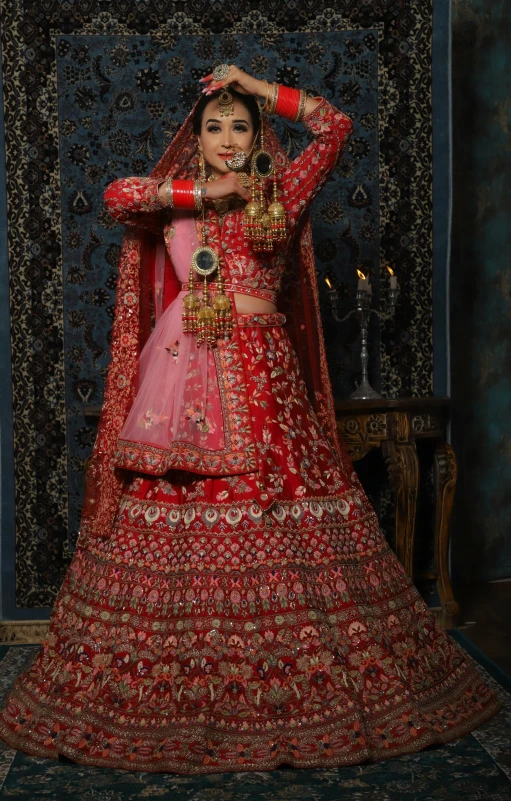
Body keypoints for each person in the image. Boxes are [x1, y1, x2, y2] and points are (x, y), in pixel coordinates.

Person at [0, 64, 501, 773]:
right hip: (182, 375)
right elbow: (118, 196)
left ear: (256, 133)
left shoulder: (280, 191)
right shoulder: (175, 201)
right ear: (196, 141)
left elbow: (334, 128)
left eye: (241, 126)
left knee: (284, 500)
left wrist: (254, 85)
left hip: (264, 375)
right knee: (172, 494)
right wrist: (208, 191)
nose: (229, 139)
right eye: (215, 127)